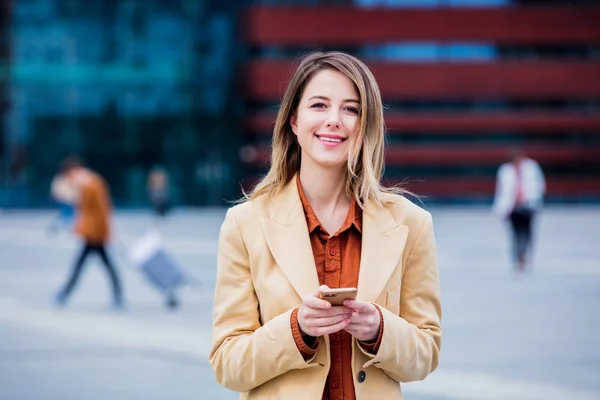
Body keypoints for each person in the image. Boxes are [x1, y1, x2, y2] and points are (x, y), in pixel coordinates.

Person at [209, 51, 442, 399]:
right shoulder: (245, 223)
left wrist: (381, 330)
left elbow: (426, 355)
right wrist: (296, 329)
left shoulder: (411, 224)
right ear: (293, 121)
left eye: (351, 109)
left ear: (366, 127)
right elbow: (227, 364)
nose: (335, 120)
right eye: (319, 105)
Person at [54, 156, 124, 309]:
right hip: (91, 232)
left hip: (95, 232)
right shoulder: (84, 183)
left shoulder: (92, 183)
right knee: (100, 264)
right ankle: (117, 295)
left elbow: (103, 210)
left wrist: (106, 231)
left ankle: (64, 293)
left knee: (84, 264)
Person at [493, 149, 546, 272]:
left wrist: (534, 198)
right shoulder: (505, 171)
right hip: (512, 206)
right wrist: (499, 208)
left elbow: (539, 185)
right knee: (515, 233)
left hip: (528, 204)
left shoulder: (531, 168)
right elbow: (501, 190)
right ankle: (518, 256)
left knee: (527, 231)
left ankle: (525, 254)